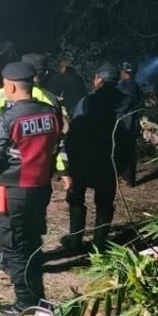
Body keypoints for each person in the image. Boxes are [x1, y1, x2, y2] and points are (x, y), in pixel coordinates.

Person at [0, 62, 63, 316]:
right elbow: (56, 146)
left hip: (13, 191)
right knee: (32, 241)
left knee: (12, 246)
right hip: (41, 188)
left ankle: (24, 304)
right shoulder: (51, 111)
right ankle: (36, 297)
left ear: (10, 86)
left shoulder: (9, 117)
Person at [62, 63, 129, 253]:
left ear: (99, 79)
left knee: (76, 198)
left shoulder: (87, 101)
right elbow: (130, 133)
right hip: (109, 159)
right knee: (105, 201)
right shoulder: (126, 102)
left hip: (84, 157)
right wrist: (123, 162)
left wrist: (70, 159)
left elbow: (75, 130)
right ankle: (99, 244)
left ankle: (75, 241)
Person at [116, 62, 141, 186]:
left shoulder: (128, 87)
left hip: (127, 123)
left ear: (125, 72)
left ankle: (128, 178)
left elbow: (123, 105)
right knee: (124, 150)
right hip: (127, 122)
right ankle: (125, 176)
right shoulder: (131, 85)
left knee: (127, 150)